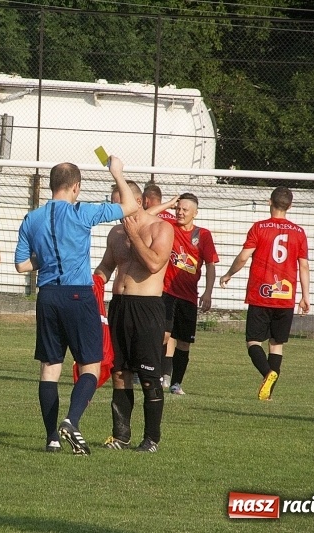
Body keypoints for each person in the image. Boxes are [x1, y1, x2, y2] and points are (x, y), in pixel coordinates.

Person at [14, 157, 139, 455]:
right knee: (90, 366)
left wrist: (48, 257)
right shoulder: (82, 211)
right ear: (75, 187)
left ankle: (51, 439)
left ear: (51, 186)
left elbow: (21, 265)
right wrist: (117, 173)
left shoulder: (32, 218)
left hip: (48, 296)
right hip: (78, 295)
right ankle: (71, 421)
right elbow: (131, 206)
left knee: (50, 368)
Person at [94, 179, 174, 453]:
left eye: (120, 204)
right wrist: (94, 281)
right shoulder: (116, 233)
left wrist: (135, 235)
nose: (116, 210)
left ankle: (151, 439)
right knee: (119, 373)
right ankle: (120, 436)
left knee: (149, 376)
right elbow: (107, 266)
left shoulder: (161, 228)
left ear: (137, 202)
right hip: (119, 306)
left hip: (147, 308)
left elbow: (154, 263)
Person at [219, 186, 310, 401]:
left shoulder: (259, 228)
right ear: (290, 206)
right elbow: (304, 266)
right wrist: (305, 296)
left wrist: (229, 274)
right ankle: (267, 394)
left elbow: (244, 257)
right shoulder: (299, 232)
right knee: (276, 345)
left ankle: (267, 373)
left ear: (270, 202)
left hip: (261, 295)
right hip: (285, 298)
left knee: (253, 342)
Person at [161, 193, 219, 395]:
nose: (180, 212)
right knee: (163, 335)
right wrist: (168, 204)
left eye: (185, 210)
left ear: (195, 213)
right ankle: (157, 376)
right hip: (166, 292)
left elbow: (210, 264)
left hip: (189, 297)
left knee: (184, 342)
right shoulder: (168, 227)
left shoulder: (203, 235)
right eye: (178, 208)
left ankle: (176, 383)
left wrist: (208, 292)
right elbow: (146, 215)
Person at [142, 183, 177, 386]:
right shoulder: (174, 221)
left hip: (150, 283)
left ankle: (144, 369)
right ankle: (166, 374)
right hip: (173, 284)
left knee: (148, 330)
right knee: (168, 333)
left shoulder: (148, 219)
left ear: (146, 200)